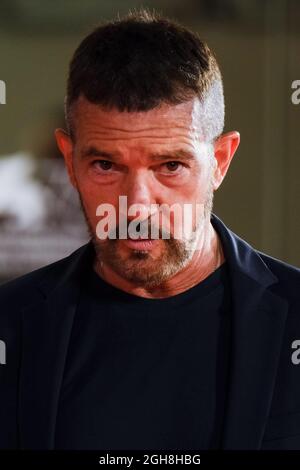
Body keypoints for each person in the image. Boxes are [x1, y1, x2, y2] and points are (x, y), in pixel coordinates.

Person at [0, 9, 299, 450]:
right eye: (105, 165)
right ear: (69, 160)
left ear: (219, 161)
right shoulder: (10, 326)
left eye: (170, 166)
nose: (136, 202)